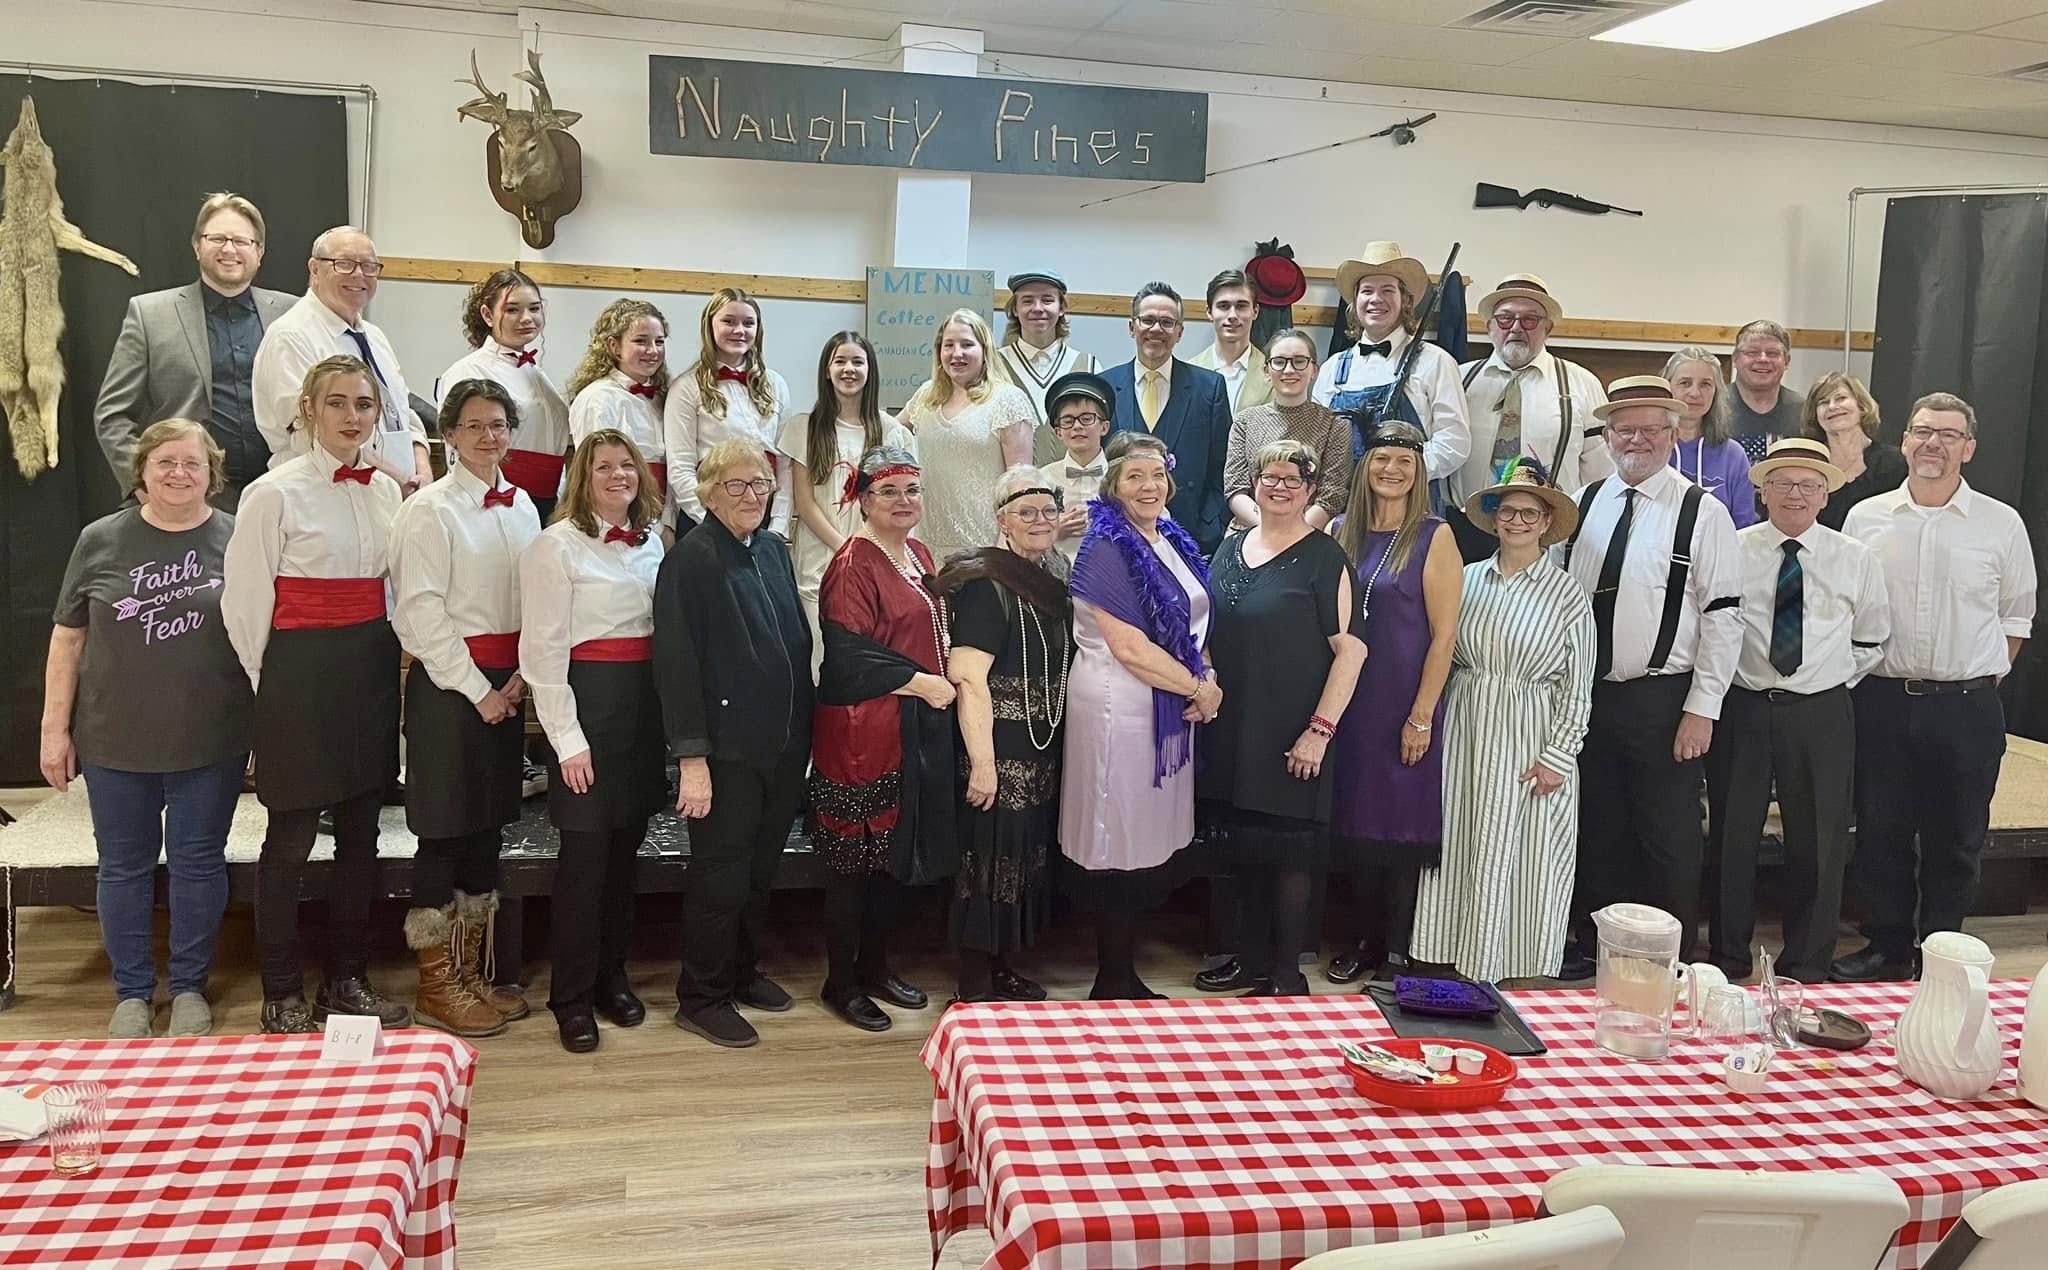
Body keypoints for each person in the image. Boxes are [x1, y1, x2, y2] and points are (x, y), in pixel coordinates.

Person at [41, 419, 252, 1038]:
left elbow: (259, 641)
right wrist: (55, 730)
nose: (179, 473)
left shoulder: (238, 539)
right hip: (114, 739)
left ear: (212, 472)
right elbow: (68, 636)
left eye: (191, 463)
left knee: (197, 863)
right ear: (143, 472)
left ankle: (189, 986)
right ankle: (131, 991)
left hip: (209, 738)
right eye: (165, 462)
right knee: (123, 867)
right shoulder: (100, 540)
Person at [222, 355, 410, 1034]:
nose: (352, 417)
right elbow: (245, 604)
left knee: (361, 837)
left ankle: (347, 981)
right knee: (291, 838)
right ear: (309, 409)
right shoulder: (273, 493)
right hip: (297, 674)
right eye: (337, 403)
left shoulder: (386, 492)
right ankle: (280, 989)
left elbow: (392, 590)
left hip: (368, 665)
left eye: (363, 405)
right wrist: (266, 688)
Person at [1833, 393, 2036, 983]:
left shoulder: (2001, 523)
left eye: (1949, 435)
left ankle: (1943, 954)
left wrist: (1975, 678)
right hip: (1881, 701)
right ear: (1904, 441)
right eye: (1923, 431)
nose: (1933, 444)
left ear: (1968, 449)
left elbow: (2016, 619)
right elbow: (1848, 607)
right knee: (1880, 834)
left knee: (1958, 838)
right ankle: (1888, 946)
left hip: (1967, 706)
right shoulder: (1865, 518)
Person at [1556, 376, 1743, 980]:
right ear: (1607, 437)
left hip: (1665, 698)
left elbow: (1723, 616)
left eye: (1650, 429)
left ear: (1673, 433)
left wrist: (1703, 707)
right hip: (1589, 695)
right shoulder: (1584, 503)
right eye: (1624, 429)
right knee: (1598, 825)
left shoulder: (1703, 510)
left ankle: (1671, 959)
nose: (1637, 440)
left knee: (1669, 834)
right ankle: (1598, 947)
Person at [389, 379, 543, 1039]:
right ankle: (436, 985)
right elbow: (419, 614)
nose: (488, 436)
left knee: (486, 830)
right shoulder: (428, 511)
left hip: (507, 687)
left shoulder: (524, 508)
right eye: (474, 425)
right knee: (444, 833)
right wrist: (479, 689)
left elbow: (535, 598)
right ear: (448, 434)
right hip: (453, 691)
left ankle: (470, 972)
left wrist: (521, 680)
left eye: (499, 424)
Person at [1706, 438, 1889, 984]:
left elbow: (1872, 639)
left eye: (1810, 484)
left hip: (1821, 712)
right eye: (1783, 482)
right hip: (1745, 704)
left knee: (1819, 837)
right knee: (1733, 835)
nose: (1795, 493)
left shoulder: (1855, 558)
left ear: (1826, 494)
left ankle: (1807, 960)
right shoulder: (1732, 549)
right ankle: (1728, 955)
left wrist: (1820, 679)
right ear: (1762, 491)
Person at [655, 439, 813, 1048]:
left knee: (760, 872)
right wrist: (691, 760)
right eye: (736, 486)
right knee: (720, 877)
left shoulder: (773, 550)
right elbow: (677, 666)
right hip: (723, 754)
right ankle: (702, 995)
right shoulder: (689, 560)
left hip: (780, 746)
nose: (752, 496)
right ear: (708, 493)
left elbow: (794, 645)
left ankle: (743, 972)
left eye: (760, 484)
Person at [1410, 461, 1595, 983]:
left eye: (1528, 513)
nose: (1516, 521)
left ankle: (1511, 965)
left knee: (1522, 851)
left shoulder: (1567, 594)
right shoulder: (1465, 580)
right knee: (1462, 841)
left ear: (1545, 521)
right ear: (1493, 520)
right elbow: (1441, 653)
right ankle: (1449, 954)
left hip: (1528, 733)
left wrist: (1559, 755)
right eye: (1507, 511)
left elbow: (1577, 684)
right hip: (1466, 729)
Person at [519, 430, 667, 1052]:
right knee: (584, 865)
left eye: (625, 465)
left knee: (624, 859)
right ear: (584, 476)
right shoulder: (555, 546)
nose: (617, 476)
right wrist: (567, 740)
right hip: (588, 709)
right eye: (602, 467)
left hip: (642, 709)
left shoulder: (655, 541)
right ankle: (571, 997)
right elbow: (542, 651)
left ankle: (612, 978)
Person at [1200, 440, 1366, 995]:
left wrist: (1319, 732)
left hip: (1295, 729)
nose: (1279, 486)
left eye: (1293, 480)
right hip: (1230, 727)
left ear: (1311, 491)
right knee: (1241, 851)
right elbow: (1204, 627)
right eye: (1269, 476)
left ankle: (1287, 976)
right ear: (1253, 483)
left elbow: (1351, 650)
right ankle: (1246, 960)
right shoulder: (1228, 548)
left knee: (1290, 856)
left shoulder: (1326, 557)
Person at [1063, 432, 1219, 1000]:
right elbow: (1128, 647)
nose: (1148, 486)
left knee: (1146, 835)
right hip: (1118, 706)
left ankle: (1125, 968)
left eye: (1156, 475)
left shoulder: (1168, 536)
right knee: (1118, 835)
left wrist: (1206, 674)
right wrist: (1200, 689)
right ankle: (1112, 975)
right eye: (1134, 477)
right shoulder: (1105, 545)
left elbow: (1194, 622)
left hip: (1169, 698)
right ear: (1112, 486)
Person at [809, 447, 959, 1031]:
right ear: (863, 499)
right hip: (860, 731)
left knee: (887, 859)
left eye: (912, 491)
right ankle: (839, 982)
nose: (903, 502)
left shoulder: (917, 553)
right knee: (853, 865)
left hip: (909, 725)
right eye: (889, 492)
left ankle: (874, 967)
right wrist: (923, 682)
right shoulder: (853, 562)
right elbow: (847, 654)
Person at [1322, 422, 1462, 986]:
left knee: (1403, 822)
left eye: (1405, 461)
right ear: (1365, 466)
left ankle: (1398, 948)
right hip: (1352, 700)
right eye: (1382, 458)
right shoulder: (1339, 532)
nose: (1392, 470)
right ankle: (1363, 939)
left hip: (1406, 698)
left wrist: (1422, 714)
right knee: (1358, 819)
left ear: (1419, 471)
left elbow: (1445, 634)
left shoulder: (1434, 535)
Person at [931, 467, 1073, 1004]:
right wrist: (983, 763)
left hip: (1039, 745)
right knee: (986, 862)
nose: (1039, 520)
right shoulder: (985, 583)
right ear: (1002, 521)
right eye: (1025, 511)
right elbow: (967, 676)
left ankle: (1003, 969)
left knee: (1023, 859)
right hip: (996, 745)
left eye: (1047, 510)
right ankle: (972, 986)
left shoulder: (1052, 579)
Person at [94, 192, 294, 511]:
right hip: (186, 498)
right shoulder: (149, 314)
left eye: (242, 241)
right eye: (217, 238)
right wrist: (141, 483)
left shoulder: (292, 313)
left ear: (260, 251)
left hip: (280, 492)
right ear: (197, 246)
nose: (229, 249)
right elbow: (112, 415)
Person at [250, 226, 430, 490]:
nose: (359, 275)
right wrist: (396, 481)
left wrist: (422, 470)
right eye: (344, 264)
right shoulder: (290, 337)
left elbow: (401, 413)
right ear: (314, 269)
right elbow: (310, 436)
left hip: (392, 493)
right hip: (321, 493)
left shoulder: (374, 336)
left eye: (369, 266)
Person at [779, 331, 917, 676]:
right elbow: (805, 502)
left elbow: (903, 500)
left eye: (858, 361)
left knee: (873, 660)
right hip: (821, 563)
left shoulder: (891, 431)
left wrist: (870, 554)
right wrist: (847, 549)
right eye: (840, 361)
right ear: (827, 370)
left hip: (880, 563)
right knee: (823, 662)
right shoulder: (805, 427)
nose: (849, 369)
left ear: (870, 370)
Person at [1452, 274, 1609, 561]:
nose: (1516, 328)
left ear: (1547, 328)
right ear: (1489, 327)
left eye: (1530, 320)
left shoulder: (1582, 384)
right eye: (1505, 318)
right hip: (1465, 534)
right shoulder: (1458, 381)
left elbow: (1601, 475)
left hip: (1549, 538)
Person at [1311, 241, 1470, 500]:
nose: (1376, 299)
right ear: (1355, 300)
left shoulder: (1435, 362)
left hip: (1412, 507)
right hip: (1344, 506)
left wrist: (1396, 473)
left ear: (1405, 300)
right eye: (1367, 291)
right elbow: (1319, 443)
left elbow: (1454, 443)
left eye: (1387, 290)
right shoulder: (1331, 369)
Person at [899, 309, 1036, 564]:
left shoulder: (1007, 400)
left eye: (967, 345)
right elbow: (888, 434)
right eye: (949, 345)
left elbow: (1021, 484)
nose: (957, 353)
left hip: (986, 545)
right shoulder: (925, 397)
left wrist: (1004, 548)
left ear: (985, 351)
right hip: (928, 544)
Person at [1103, 282, 1231, 553]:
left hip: (1193, 538)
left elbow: (1222, 466)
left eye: (1166, 322)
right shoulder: (1105, 387)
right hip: (1120, 538)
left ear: (1180, 332)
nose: (1156, 329)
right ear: (1132, 327)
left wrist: (1211, 526)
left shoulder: (1210, 388)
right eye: (1148, 320)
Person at [434, 268, 570, 522]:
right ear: (487, 314)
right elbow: (458, 448)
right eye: (512, 310)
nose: (527, 318)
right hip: (495, 502)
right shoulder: (469, 370)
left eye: (534, 308)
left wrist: (560, 502)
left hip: (547, 505)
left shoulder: (537, 374)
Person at [664, 286, 792, 536]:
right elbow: (680, 468)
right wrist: (714, 524)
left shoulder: (776, 385)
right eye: (729, 322)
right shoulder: (686, 387)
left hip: (760, 521)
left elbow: (785, 465)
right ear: (710, 326)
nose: (739, 331)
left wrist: (777, 526)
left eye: (748, 323)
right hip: (704, 522)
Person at [1223, 327, 1351, 531]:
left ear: (1314, 370)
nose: (1289, 370)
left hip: (1308, 535)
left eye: (1299, 361)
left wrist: (1292, 535)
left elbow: (1332, 494)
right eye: (1280, 362)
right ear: (1267, 370)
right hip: (1250, 529)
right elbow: (1236, 488)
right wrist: (1266, 530)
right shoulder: (1245, 421)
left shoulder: (1335, 425)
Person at [565, 298, 671, 516]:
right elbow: (599, 472)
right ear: (614, 346)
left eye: (659, 342)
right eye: (641, 341)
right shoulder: (597, 399)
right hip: (620, 514)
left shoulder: (664, 398)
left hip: (663, 514)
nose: (652, 351)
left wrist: (667, 523)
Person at [995, 269, 1101, 464]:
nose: (1037, 308)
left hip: (1075, 489)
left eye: (1047, 300)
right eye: (1027, 301)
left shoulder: (1089, 367)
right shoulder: (994, 366)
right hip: (1013, 490)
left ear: (1062, 308)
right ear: (1015, 310)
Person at [1662, 347, 1757, 528]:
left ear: (1716, 392)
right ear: (1668, 387)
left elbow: (1744, 527)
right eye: (1684, 383)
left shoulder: (1733, 455)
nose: (1695, 393)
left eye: (1705, 384)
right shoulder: (1650, 448)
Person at [1802, 371, 1904, 532]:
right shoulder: (1809, 467)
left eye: (1841, 398)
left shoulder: (1897, 463)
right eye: (1823, 402)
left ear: (1861, 406)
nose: (1832, 407)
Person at [1039, 370, 1114, 564]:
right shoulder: (1042, 479)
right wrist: (1052, 529)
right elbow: (1021, 535)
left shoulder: (1122, 475)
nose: (1077, 426)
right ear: (1058, 432)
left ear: (1104, 427)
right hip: (1054, 581)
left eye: (1087, 418)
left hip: (1114, 582)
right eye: (1068, 421)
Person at [1189, 269, 1271, 415]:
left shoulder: (1274, 372)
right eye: (1223, 306)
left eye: (1241, 306)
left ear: (1255, 311)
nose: (1232, 315)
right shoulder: (1188, 372)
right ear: (1209, 312)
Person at [1727, 319, 1802, 461]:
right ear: (1735, 359)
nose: (1763, 359)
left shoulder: (1803, 411)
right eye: (1752, 352)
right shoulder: (1712, 405)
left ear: (1786, 361)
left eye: (1772, 353)